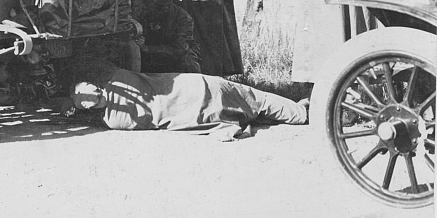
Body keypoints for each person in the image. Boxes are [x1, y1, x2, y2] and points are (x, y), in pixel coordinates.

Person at [70, 61, 308, 140]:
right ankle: (303, 113)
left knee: (248, 110)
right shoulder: (119, 78)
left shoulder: (114, 121)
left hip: (196, 115)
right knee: (256, 99)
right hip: (195, 87)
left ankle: (300, 114)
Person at [135, 0, 201, 73]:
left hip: (174, 53)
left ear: (164, 9)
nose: (145, 10)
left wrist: (147, 48)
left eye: (149, 8)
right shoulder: (145, 11)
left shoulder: (183, 19)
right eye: (144, 6)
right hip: (152, 50)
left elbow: (179, 48)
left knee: (187, 58)